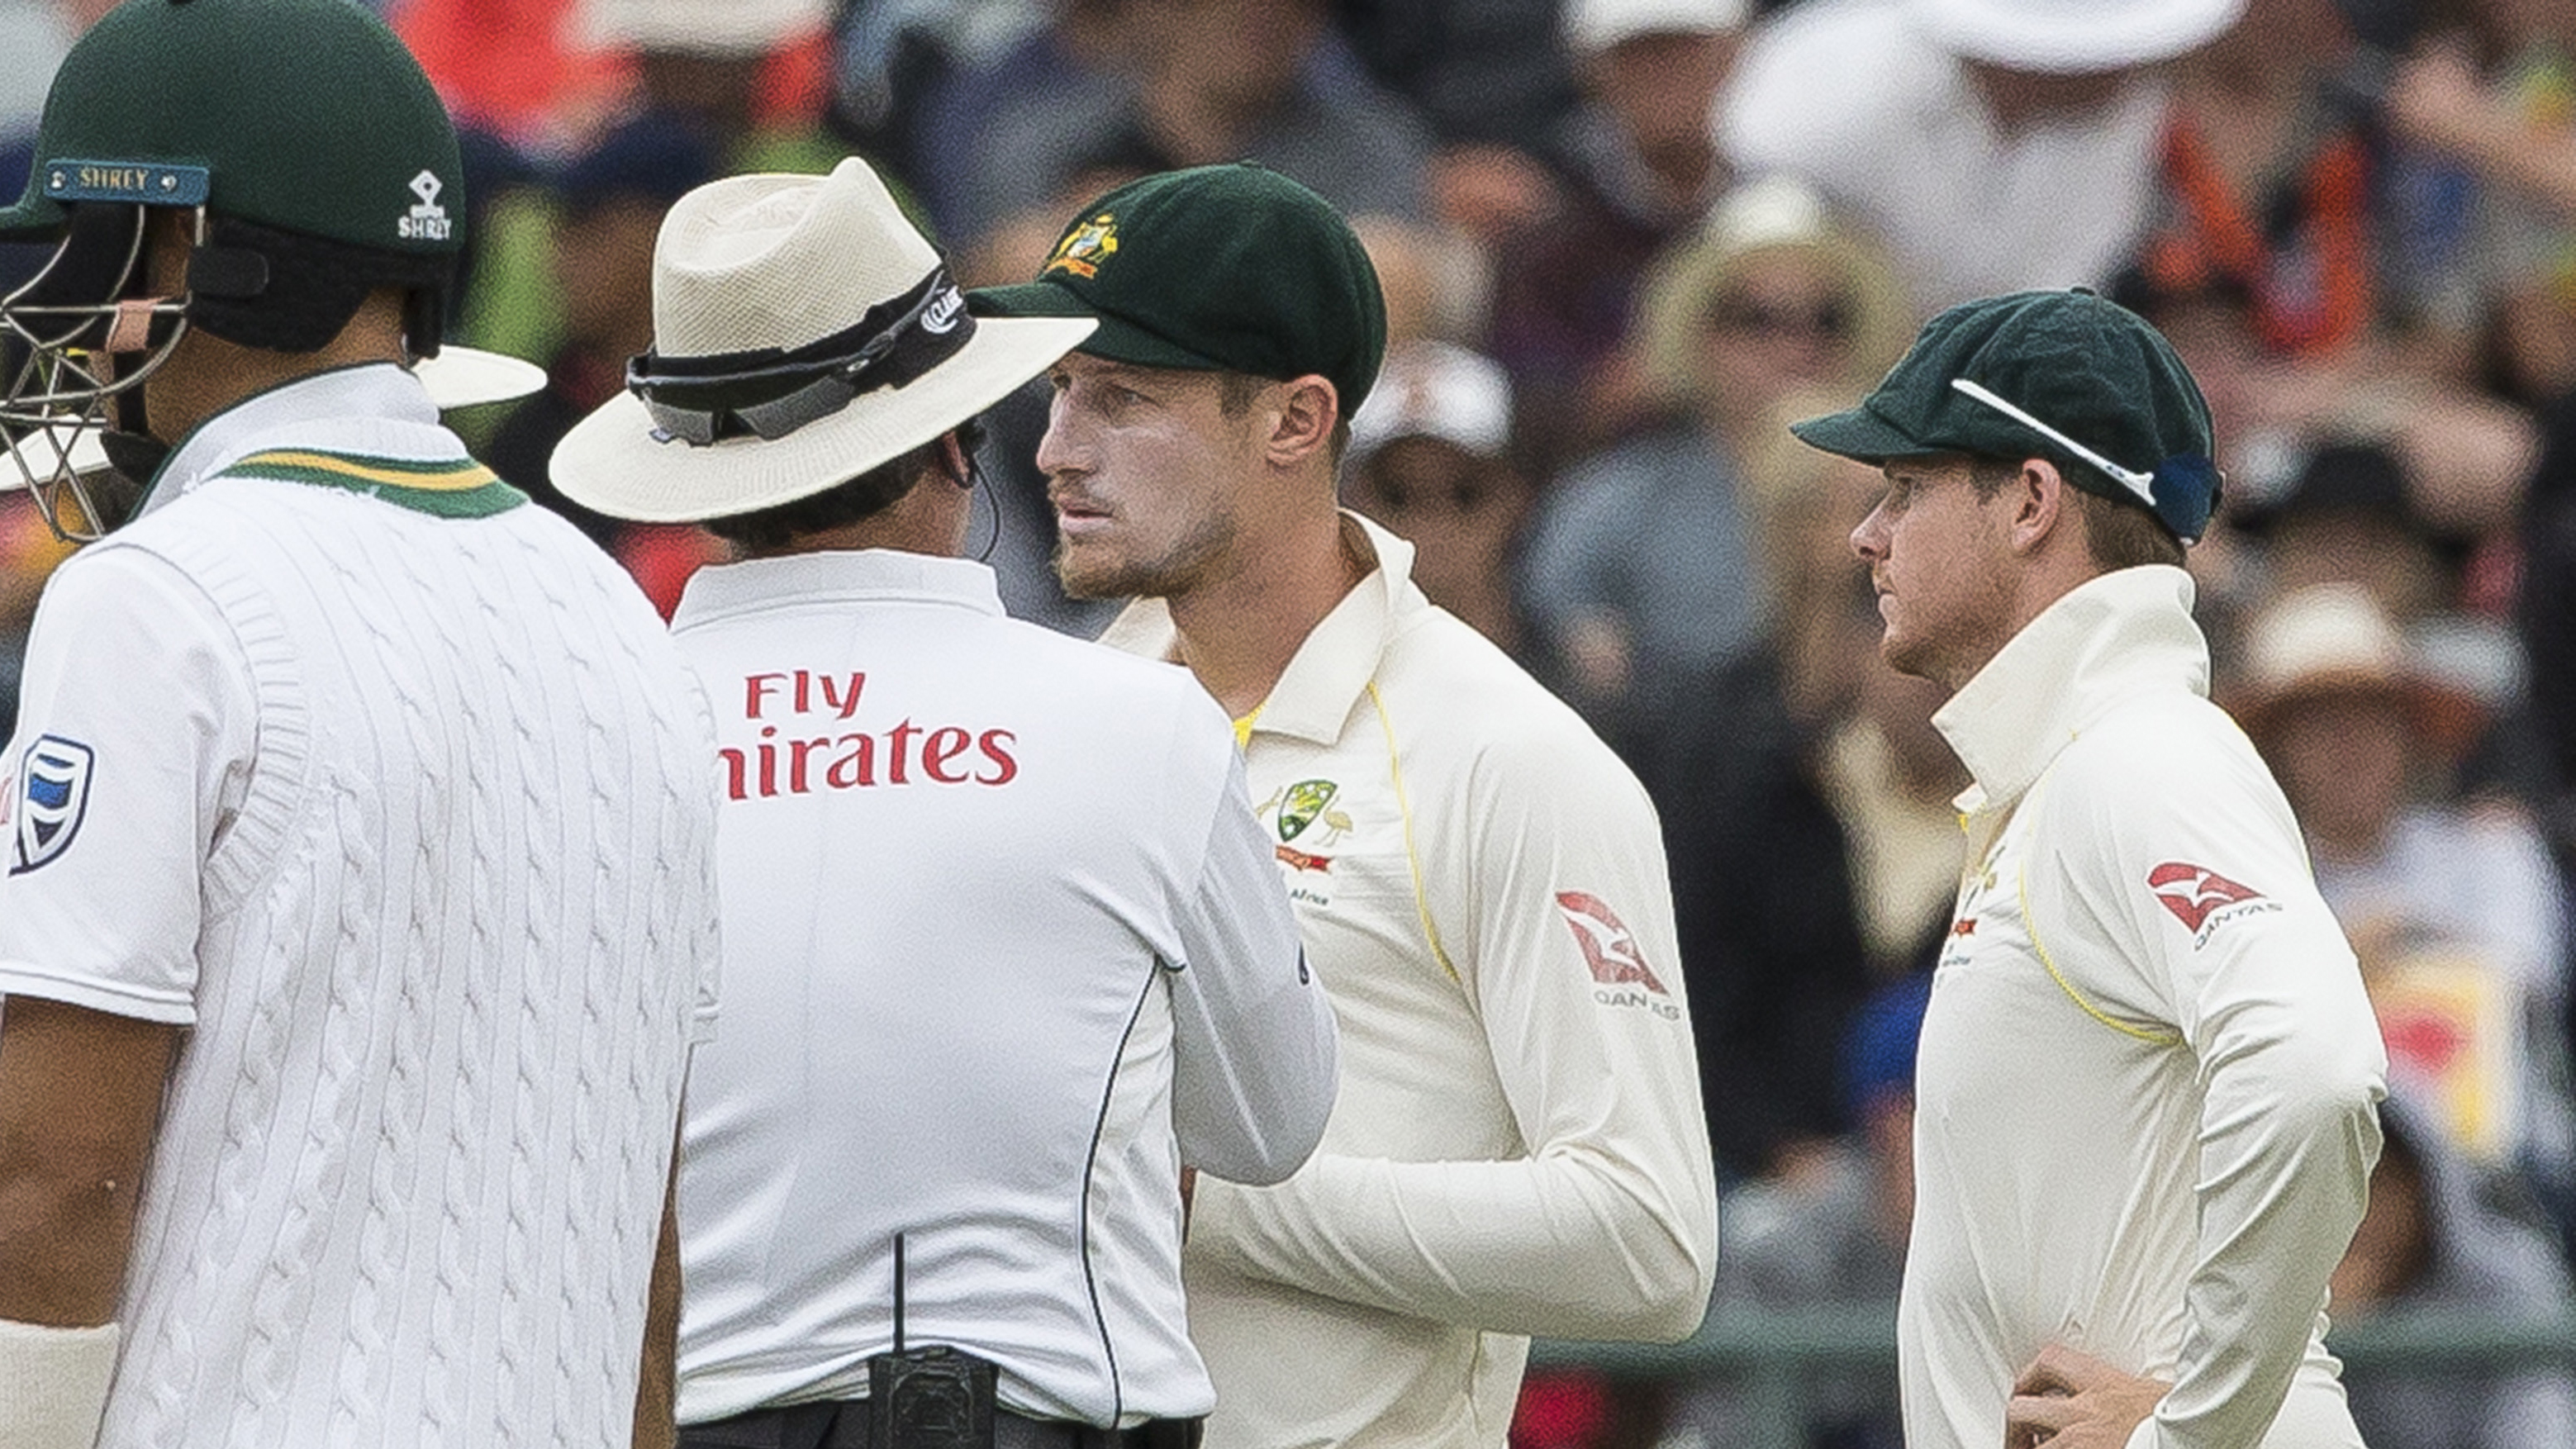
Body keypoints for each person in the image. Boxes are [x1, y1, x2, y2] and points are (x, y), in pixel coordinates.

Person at [0, 2, 722, 1447]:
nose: (72, 318)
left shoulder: (154, 595)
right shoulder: (608, 607)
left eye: (93, 249)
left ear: (196, 249)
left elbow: (56, 1174)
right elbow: (649, 1227)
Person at [548, 155, 1342, 1445]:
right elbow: (1270, 1124)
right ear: (954, 438)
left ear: (690, 468)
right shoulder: (1142, 726)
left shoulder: (575, 745)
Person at [975, 161, 1718, 1449]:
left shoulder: (1508, 757)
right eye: (1059, 392)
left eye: (1121, 397)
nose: (1056, 449)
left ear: (1294, 420)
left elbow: (1647, 1244)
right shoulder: (1062, 718)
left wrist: (1215, 1206)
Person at [1791, 287, 2388, 1449]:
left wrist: (2192, 1432)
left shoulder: (2138, 758)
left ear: (2030, 501)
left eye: (1904, 487)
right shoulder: (2086, 769)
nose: (1867, 533)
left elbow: (2315, 1072)